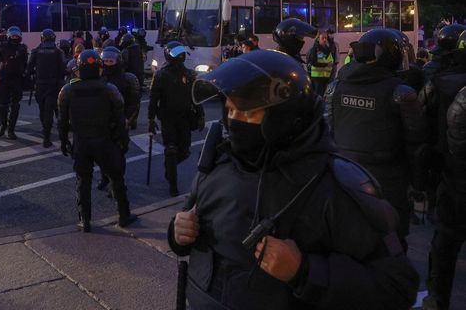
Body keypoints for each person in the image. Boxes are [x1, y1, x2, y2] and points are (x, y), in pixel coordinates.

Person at [169, 49, 419, 310]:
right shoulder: (218, 164)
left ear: (285, 118)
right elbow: (190, 223)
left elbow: (397, 287)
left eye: (248, 114)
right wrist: (178, 233)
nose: (235, 123)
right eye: (231, 111)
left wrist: (305, 271)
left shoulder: (334, 185)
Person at [325, 28, 427, 247]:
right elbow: (416, 144)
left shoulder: (336, 87)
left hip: (345, 175)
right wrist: (419, 187)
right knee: (392, 243)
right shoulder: (401, 92)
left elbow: (330, 132)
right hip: (388, 180)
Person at [57, 50, 138, 232]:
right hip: (105, 140)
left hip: (82, 142)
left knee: (83, 180)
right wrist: (123, 140)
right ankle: (123, 215)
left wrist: (63, 141)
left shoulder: (68, 90)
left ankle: (85, 220)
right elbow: (119, 119)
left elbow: (62, 121)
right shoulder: (110, 89)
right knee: (116, 178)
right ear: (99, 68)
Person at [420, 29, 466, 310]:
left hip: (452, 179)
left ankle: (437, 299)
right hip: (451, 176)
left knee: (445, 246)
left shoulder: (440, 83)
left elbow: (421, 126)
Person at [148, 41, 205, 196]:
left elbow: (195, 96)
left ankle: (169, 166)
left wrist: (201, 115)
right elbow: (153, 98)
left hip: (185, 117)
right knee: (171, 149)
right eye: (176, 52)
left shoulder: (189, 74)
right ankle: (172, 182)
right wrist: (150, 119)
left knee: (185, 151)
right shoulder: (161, 75)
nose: (180, 55)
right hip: (168, 118)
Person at [97, 46, 141, 190]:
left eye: (111, 60)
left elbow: (134, 102)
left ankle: (116, 184)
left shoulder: (127, 79)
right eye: (106, 60)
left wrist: (128, 119)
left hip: (120, 123)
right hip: (102, 123)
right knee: (102, 154)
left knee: (118, 156)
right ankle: (105, 178)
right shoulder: (98, 78)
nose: (108, 63)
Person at [0, 26, 28, 140]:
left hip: (17, 80)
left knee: (15, 106)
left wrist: (28, 78)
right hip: (4, 79)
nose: (14, 37)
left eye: (16, 35)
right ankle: (3, 125)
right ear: (9, 36)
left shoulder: (23, 48)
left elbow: (26, 65)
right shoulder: (1, 46)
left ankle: (11, 129)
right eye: (12, 35)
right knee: (2, 105)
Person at [27, 28, 65, 147]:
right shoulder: (58, 51)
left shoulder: (36, 51)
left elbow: (28, 68)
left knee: (43, 110)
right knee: (50, 111)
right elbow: (63, 69)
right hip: (53, 86)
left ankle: (46, 134)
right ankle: (47, 138)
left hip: (40, 85)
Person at [307, 31, 336, 97]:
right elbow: (313, 63)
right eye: (322, 38)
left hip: (325, 76)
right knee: (318, 96)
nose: (325, 40)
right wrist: (326, 65)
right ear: (318, 39)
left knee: (323, 95)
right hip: (317, 77)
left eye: (326, 38)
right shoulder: (315, 49)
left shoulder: (327, 49)